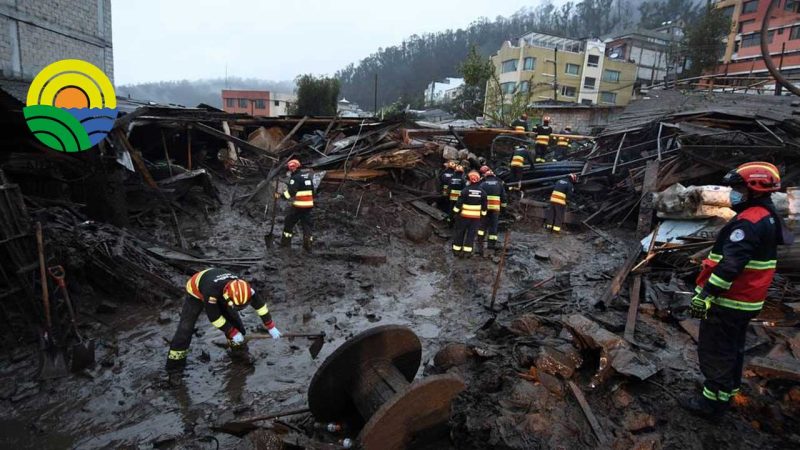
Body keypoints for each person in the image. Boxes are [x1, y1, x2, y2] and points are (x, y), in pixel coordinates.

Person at [682, 162, 788, 417]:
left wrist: (706, 295)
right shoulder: (768, 216)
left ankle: (712, 404)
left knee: (715, 350)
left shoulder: (748, 223)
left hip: (729, 300)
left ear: (754, 189)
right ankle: (727, 392)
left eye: (738, 189)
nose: (733, 194)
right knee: (733, 348)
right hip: (748, 299)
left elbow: (730, 266)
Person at [166, 268, 281, 373]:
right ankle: (175, 368)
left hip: (220, 287)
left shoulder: (246, 290)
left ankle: (239, 354)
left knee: (235, 323)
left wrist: (270, 326)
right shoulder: (211, 292)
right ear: (227, 297)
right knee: (185, 329)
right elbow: (214, 318)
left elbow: (261, 307)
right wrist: (232, 332)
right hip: (196, 291)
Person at [278, 159, 315, 253]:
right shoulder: (307, 177)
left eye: (290, 168)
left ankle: (285, 244)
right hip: (309, 205)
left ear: (293, 168)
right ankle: (308, 247)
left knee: (289, 222)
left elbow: (292, 192)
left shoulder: (295, 178)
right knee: (307, 225)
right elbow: (313, 191)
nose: (290, 170)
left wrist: (281, 196)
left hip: (299, 206)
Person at [451, 171, 487, 257]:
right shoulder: (483, 192)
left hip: (464, 216)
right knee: (471, 234)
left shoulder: (465, 191)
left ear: (470, 180)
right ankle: (467, 252)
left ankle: (457, 250)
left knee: (460, 232)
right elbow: (484, 207)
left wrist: (454, 213)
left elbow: (458, 204)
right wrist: (483, 215)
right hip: (475, 218)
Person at [476, 166, 508, 253]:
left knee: (482, 226)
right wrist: (503, 209)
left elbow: (478, 196)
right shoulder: (499, 184)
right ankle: (491, 245)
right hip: (495, 209)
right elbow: (504, 197)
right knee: (493, 226)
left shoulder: (483, 184)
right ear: (493, 176)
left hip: (484, 209)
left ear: (486, 176)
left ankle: (479, 243)